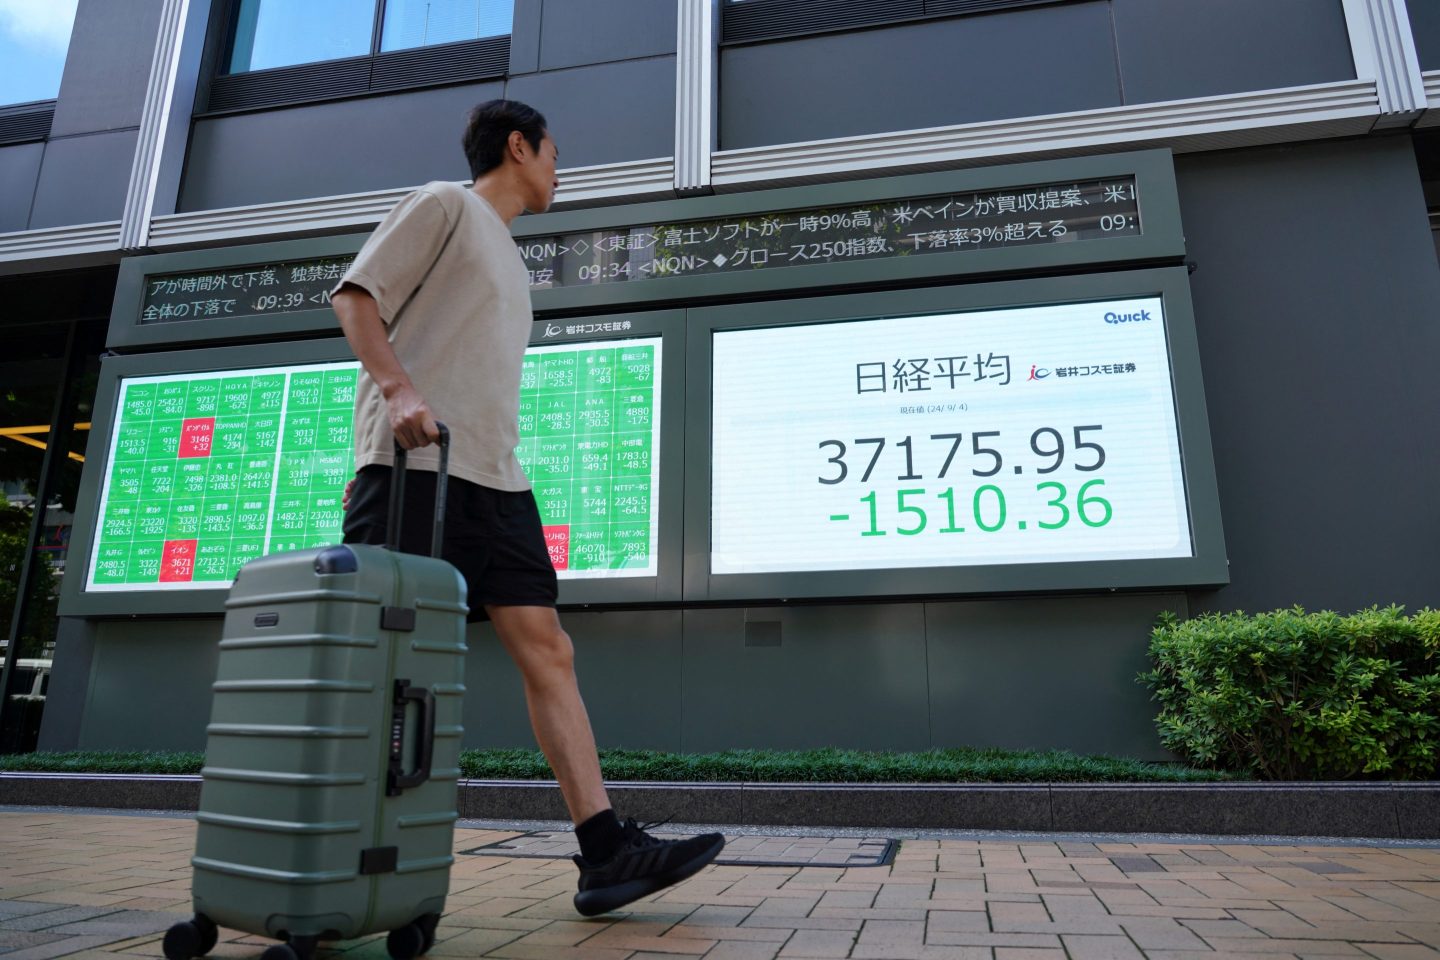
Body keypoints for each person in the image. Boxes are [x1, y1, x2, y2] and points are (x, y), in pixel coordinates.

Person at [330, 99, 724, 917]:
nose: (558, 169)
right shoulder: (444, 203)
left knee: (549, 648)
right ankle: (332, 857)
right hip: (417, 469)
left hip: (496, 478)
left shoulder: (510, 256)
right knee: (383, 670)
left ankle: (605, 851)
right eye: (554, 152)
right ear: (519, 145)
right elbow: (356, 298)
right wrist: (397, 395)